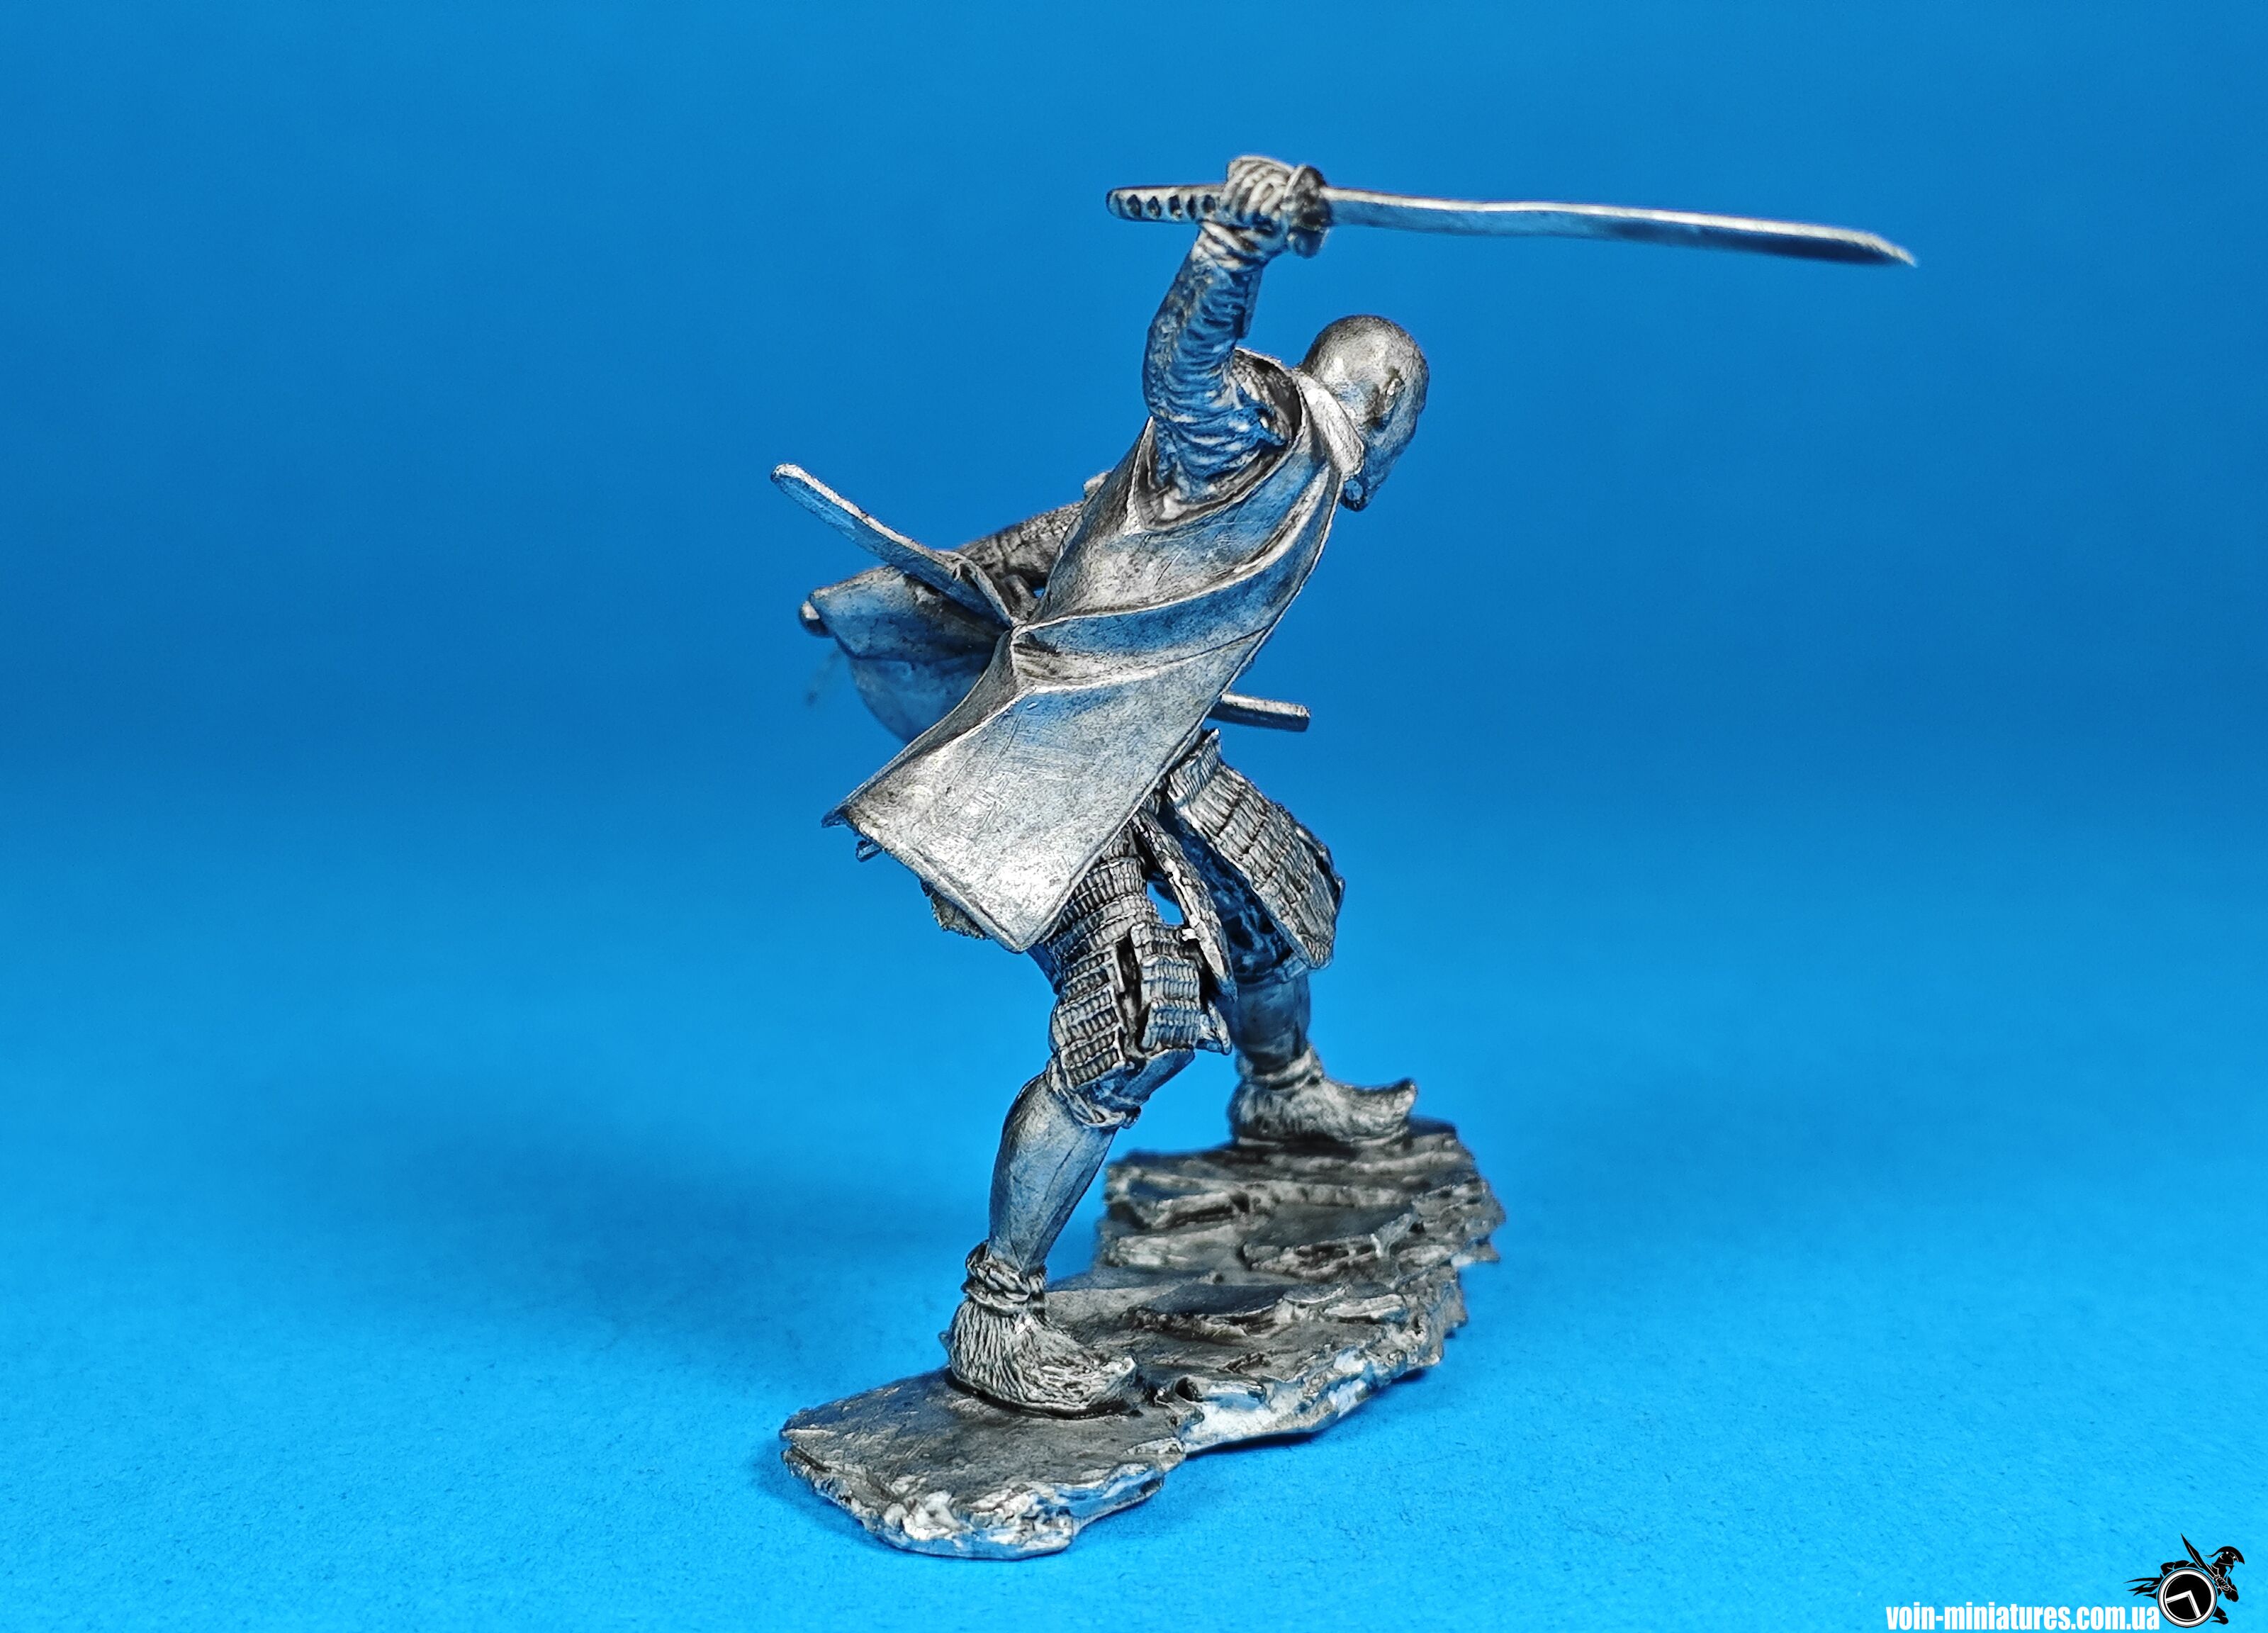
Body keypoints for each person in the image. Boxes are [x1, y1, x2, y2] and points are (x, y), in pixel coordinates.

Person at [799, 155, 1430, 1415]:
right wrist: (1230, 251)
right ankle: (999, 1311)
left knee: (1273, 903)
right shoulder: (1260, 440)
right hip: (1060, 777)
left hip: (1151, 752)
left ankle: (1283, 1095)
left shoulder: (1261, 478)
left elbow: (1070, 542)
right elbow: (1184, 372)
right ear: (1382, 417)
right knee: (1132, 1014)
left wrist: (994, 578)